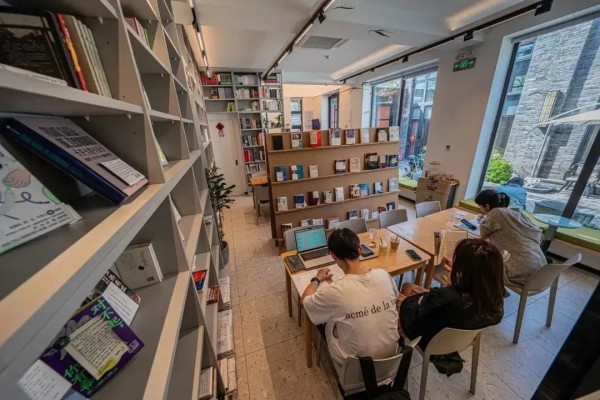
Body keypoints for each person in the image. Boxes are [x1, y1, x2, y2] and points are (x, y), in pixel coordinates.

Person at [301, 228, 400, 365]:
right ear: (360, 250)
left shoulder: (335, 291)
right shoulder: (383, 275)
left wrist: (317, 279)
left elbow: (305, 302)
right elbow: (396, 297)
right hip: (394, 358)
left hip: (358, 367)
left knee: (329, 322)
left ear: (333, 256)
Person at [398, 239, 504, 352]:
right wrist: (455, 282)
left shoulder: (443, 297)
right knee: (408, 286)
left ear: (465, 271)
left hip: (425, 337)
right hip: (456, 337)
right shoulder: (495, 302)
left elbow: (411, 307)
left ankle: (395, 343)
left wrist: (451, 285)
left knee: (394, 295)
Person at [475, 189, 546, 285]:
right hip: (541, 269)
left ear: (487, 206)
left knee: (477, 261)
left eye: (480, 206)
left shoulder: (495, 213)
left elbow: (483, 235)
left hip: (523, 272)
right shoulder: (514, 212)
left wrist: (484, 219)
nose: (480, 209)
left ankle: (484, 289)